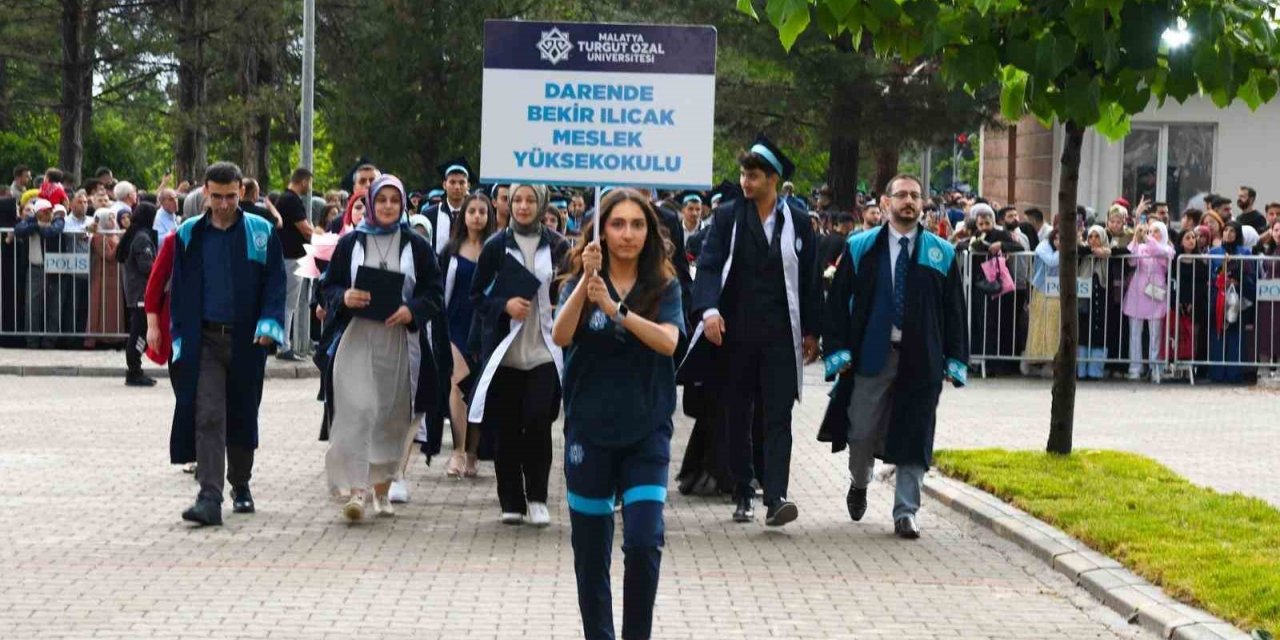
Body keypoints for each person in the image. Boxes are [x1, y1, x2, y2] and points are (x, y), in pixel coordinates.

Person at [551, 188, 684, 640]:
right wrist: (586, 289)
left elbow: (668, 342)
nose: (628, 234)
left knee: (644, 542)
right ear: (601, 231)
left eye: (637, 225)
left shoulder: (664, 288)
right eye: (618, 224)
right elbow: (561, 335)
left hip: (647, 433)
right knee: (591, 555)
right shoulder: (579, 284)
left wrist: (616, 309)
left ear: (650, 233)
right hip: (589, 434)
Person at [678, 134, 820, 526]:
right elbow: (709, 265)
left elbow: (808, 280)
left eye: (753, 175)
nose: (745, 182)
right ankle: (742, 490)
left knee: (779, 416)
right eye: (743, 174)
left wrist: (812, 331)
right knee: (737, 414)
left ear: (773, 180)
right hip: (734, 335)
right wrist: (708, 311)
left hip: (779, 336)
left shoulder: (800, 223)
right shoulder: (727, 218)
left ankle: (777, 496)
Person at [818, 174, 968, 539]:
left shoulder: (941, 252)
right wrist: (837, 351)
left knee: (915, 433)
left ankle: (906, 513)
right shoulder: (860, 247)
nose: (909, 202)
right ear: (886, 203)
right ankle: (859, 480)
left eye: (915, 196)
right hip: (872, 354)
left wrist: (954, 359)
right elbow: (838, 304)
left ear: (923, 204)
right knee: (862, 431)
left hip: (922, 357)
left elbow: (954, 311)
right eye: (901, 195)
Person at [319, 174, 444, 522]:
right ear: (370, 203)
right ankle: (356, 491)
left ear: (402, 204)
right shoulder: (351, 243)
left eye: (394, 200)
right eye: (381, 200)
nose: (387, 206)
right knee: (357, 410)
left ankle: (382, 489)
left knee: (390, 415)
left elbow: (434, 292)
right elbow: (327, 287)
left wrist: (412, 310)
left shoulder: (416, 246)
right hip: (357, 337)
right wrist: (344, 297)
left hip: (400, 341)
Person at [168, 162, 287, 527]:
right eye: (216, 196)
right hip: (203, 338)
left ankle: (241, 483)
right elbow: (181, 287)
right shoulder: (189, 234)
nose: (223, 204)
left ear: (242, 193)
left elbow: (275, 283)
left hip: (246, 340)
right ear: (205, 192)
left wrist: (270, 325)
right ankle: (209, 496)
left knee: (242, 411)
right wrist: (176, 335)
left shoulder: (260, 232)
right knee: (207, 414)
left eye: (230, 196)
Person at [468, 183, 568, 526]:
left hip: (544, 348)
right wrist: (504, 305)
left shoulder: (557, 244)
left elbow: (569, 287)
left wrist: (561, 302)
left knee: (539, 420)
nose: (524, 207)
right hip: (505, 350)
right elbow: (477, 297)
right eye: (518, 200)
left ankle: (537, 495)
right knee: (507, 426)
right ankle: (511, 498)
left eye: (531, 200)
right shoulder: (496, 246)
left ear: (542, 205)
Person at [438, 193, 496, 479]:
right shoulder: (450, 251)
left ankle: (473, 453)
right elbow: (439, 293)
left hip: (486, 328)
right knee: (457, 383)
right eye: (471, 211)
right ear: (464, 216)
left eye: (482, 212)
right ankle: (458, 452)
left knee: (478, 393)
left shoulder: (496, 249)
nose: (476, 216)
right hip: (454, 326)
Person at [1122, 221, 1174, 382]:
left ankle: (1154, 367)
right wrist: (1137, 239)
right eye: (1150, 231)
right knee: (1135, 334)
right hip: (1138, 291)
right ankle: (1135, 367)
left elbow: (1159, 252)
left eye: (1157, 231)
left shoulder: (1168, 248)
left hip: (1156, 293)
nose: (1153, 234)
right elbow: (1131, 260)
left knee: (1155, 335)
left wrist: (1146, 237)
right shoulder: (1142, 247)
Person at [275, 168, 317, 362]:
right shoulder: (292, 200)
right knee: (289, 302)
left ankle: (283, 343)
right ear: (303, 181)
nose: (309, 187)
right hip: (292, 257)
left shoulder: (284, 198)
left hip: (288, 255)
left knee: (287, 301)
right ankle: (284, 345)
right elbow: (305, 229)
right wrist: (325, 242)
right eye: (309, 182)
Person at [1207, 221, 1255, 384]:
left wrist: (1238, 281)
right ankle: (1217, 373)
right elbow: (1208, 276)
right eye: (1226, 230)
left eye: (1232, 231)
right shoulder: (1213, 252)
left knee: (1236, 335)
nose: (1228, 233)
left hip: (1237, 300)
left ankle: (1235, 373)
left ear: (1238, 234)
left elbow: (1250, 275)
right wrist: (1220, 279)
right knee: (1218, 333)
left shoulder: (1245, 252)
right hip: (1218, 298)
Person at [120, 202, 159, 387]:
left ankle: (135, 368)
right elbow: (146, 266)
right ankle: (134, 370)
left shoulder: (137, 235)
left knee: (139, 331)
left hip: (137, 291)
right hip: (141, 293)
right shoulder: (142, 238)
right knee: (139, 332)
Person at [1024, 229, 1061, 375]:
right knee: (1041, 326)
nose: (1059, 241)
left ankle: (1053, 360)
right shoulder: (1043, 246)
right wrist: (1061, 249)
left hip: (1058, 291)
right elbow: (1052, 262)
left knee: (1055, 326)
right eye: (1057, 238)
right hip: (1042, 290)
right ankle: (1039, 360)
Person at [423, 159, 470, 254]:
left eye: (461, 183)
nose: (457, 187)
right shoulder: (430, 214)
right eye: (452, 182)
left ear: (468, 185)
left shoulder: (474, 214)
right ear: (444, 185)